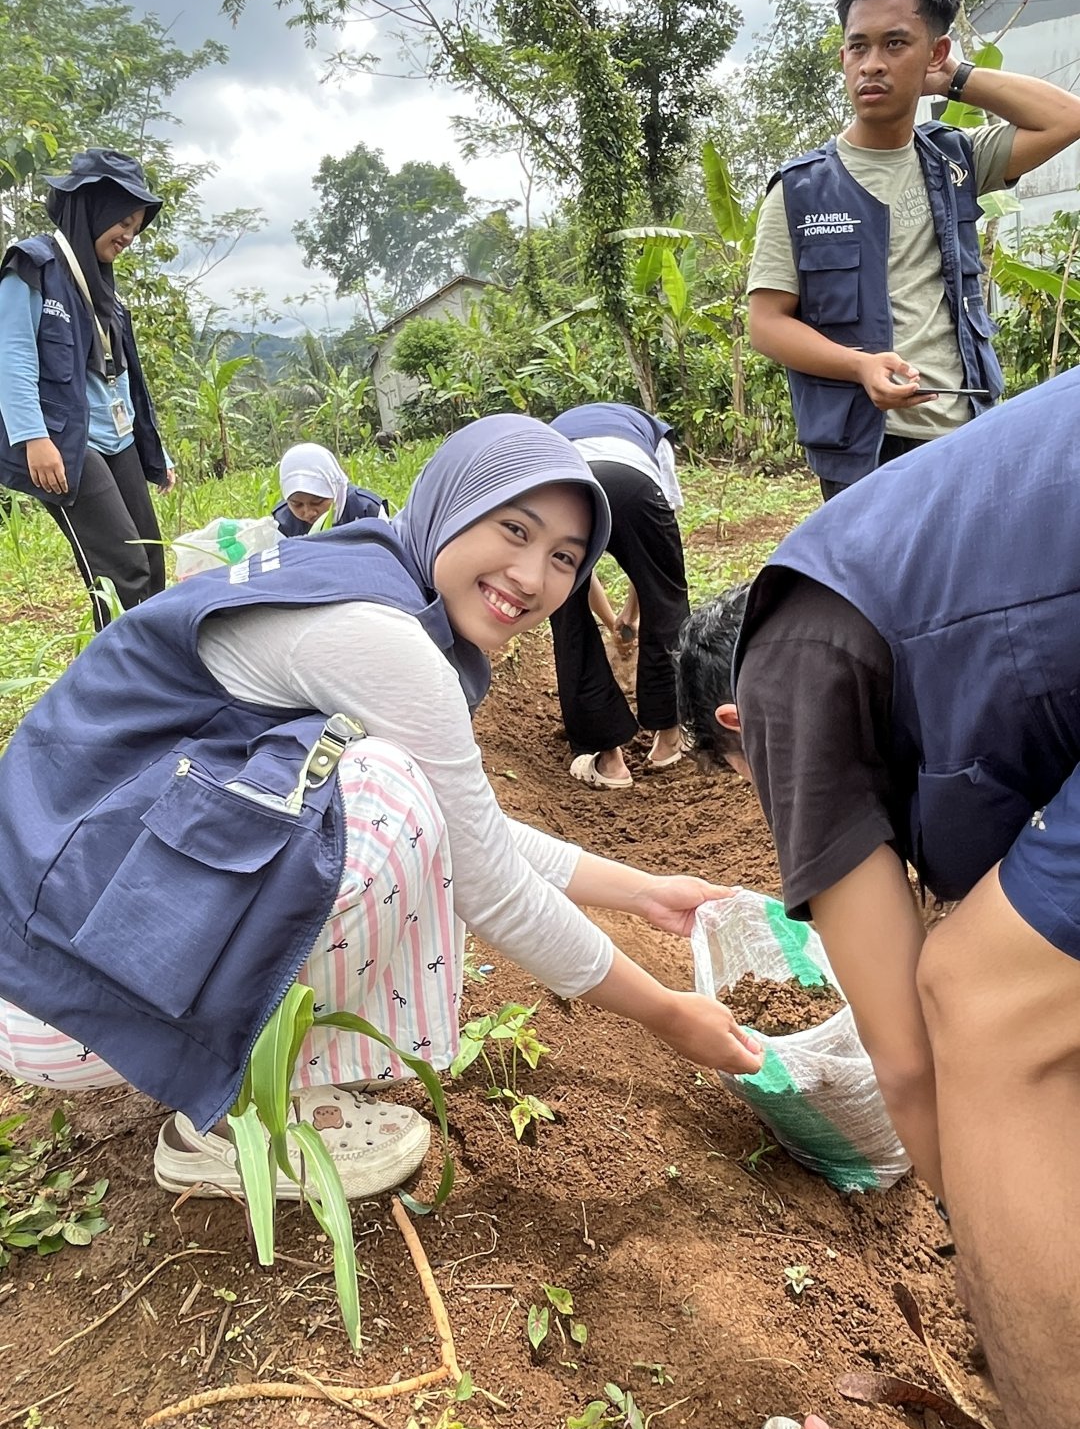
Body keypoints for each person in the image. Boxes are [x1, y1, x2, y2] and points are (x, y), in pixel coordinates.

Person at [0, 415, 760, 1205]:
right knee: (386, 792)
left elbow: (471, 835)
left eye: (565, 558)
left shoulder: (365, 569)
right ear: (452, 503)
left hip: (60, 929)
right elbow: (485, 881)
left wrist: (643, 892)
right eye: (513, 529)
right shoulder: (382, 634)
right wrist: (669, 1015)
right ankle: (235, 1122)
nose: (533, 578)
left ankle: (229, 1055)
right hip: (53, 996)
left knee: (400, 797)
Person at [674, 371, 1080, 1429]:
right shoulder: (923, 566)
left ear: (739, 727)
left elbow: (909, 1055)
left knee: (984, 1001)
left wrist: (987, 1249)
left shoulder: (791, 659)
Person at [747, 0, 1080, 498]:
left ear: (935, 50)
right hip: (863, 448)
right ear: (843, 58)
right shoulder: (800, 190)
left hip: (965, 429)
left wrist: (954, 78)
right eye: (858, 46)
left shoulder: (958, 162)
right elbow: (767, 323)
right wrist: (860, 368)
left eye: (895, 43)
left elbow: (1067, 119)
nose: (872, 63)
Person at [0, 148, 174, 626]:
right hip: (65, 443)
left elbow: (122, 376)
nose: (129, 236)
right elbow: (11, 358)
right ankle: (120, 684)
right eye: (124, 222)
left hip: (115, 437)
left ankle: (155, 674)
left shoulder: (104, 289)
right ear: (93, 209)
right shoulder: (32, 267)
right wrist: (34, 439)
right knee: (122, 571)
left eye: (136, 227)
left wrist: (156, 450)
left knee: (152, 560)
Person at [548, 401, 690, 788]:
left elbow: (580, 576)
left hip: (571, 490)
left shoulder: (555, 432)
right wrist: (628, 614)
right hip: (634, 482)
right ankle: (669, 738)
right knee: (667, 601)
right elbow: (652, 570)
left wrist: (618, 618)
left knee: (568, 615)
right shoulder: (653, 432)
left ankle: (608, 760)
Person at [273, 442, 388, 536]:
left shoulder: (367, 511)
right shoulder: (282, 523)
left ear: (335, 488)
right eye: (297, 505)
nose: (308, 513)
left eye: (317, 502)